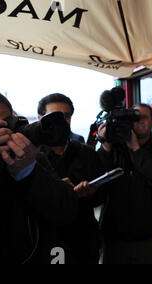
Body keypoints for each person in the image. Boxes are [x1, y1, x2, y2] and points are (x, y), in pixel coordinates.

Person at [0, 87, 79, 263]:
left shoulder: (28, 157)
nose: (0, 137)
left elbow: (66, 211)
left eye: (5, 126)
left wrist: (27, 171)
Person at [36, 93, 104, 264]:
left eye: (66, 116)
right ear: (40, 118)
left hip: (84, 242)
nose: (62, 121)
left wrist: (90, 193)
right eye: (54, 116)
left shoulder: (86, 152)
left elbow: (102, 197)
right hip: (45, 243)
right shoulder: (31, 156)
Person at [97, 102, 152, 264]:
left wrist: (135, 147)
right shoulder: (115, 148)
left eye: (144, 117)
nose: (139, 121)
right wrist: (105, 145)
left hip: (146, 236)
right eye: (134, 117)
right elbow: (97, 179)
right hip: (114, 237)